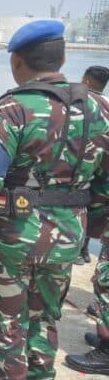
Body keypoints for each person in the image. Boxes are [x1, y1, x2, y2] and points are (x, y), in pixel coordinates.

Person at [0, 20, 109, 380]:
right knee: (43, 324)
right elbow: (105, 186)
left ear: (17, 61)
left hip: (8, 243)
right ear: (62, 57)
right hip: (65, 242)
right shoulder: (100, 108)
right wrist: (88, 227)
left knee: (2, 334)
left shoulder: (12, 109)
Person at [77, 66, 109, 266]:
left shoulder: (79, 101)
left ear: (86, 80)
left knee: (79, 202)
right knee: (95, 204)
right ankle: (86, 251)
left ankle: (79, 249)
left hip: (82, 161)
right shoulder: (107, 104)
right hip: (103, 165)